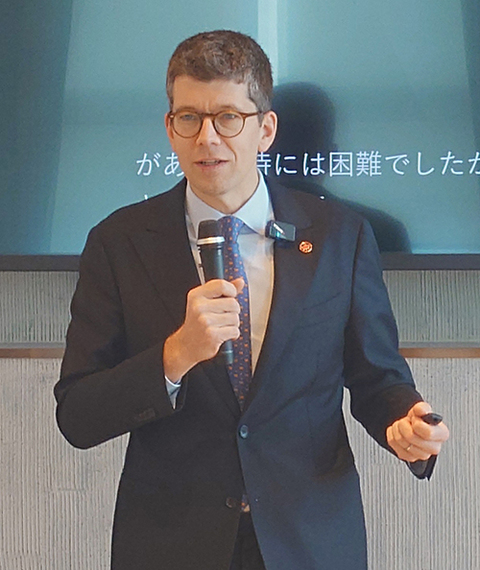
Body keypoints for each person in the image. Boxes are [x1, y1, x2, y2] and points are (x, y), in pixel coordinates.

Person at [54, 30, 449, 570]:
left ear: (265, 130)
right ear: (169, 129)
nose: (207, 138)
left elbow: (378, 378)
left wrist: (407, 423)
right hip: (172, 544)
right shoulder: (118, 242)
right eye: (189, 118)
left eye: (227, 118)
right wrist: (174, 356)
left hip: (308, 540)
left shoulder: (340, 235)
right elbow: (78, 414)